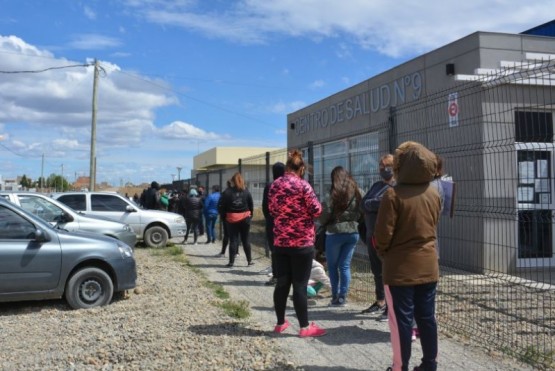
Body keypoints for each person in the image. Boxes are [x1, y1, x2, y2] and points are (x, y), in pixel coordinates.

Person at [374, 141, 441, 371]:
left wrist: (383, 253)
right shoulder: (434, 193)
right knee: (427, 318)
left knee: (401, 321)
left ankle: (399, 366)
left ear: (400, 166)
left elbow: (382, 235)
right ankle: (429, 364)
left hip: (399, 270)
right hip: (429, 267)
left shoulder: (392, 195)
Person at [268, 149, 326, 338]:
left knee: (282, 283)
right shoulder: (303, 186)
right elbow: (316, 210)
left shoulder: (275, 185)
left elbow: (271, 209)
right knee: (300, 285)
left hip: (281, 241)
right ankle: (304, 327)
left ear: (287, 166)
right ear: (301, 168)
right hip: (301, 242)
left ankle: (279, 323)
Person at [319, 166, 362, 307]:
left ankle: (335, 296)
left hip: (334, 233)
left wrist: (325, 223)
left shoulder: (331, 194)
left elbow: (323, 215)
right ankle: (343, 297)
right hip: (353, 233)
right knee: (345, 266)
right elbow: (363, 210)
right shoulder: (357, 192)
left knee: (332, 266)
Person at [360, 154, 396, 321]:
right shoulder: (377, 185)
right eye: (381, 167)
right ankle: (380, 300)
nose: (383, 170)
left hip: (386, 237)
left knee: (388, 272)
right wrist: (375, 203)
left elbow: (383, 204)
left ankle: (391, 307)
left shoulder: (396, 187)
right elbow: (363, 204)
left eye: (386, 167)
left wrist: (372, 203)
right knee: (377, 271)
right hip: (371, 235)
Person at [218, 172, 254, 267]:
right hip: (245, 218)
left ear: (233, 181)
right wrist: (250, 216)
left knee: (233, 240)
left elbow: (222, 206)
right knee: (246, 239)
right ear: (242, 180)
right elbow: (251, 204)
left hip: (231, 218)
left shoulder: (227, 192)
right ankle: (249, 261)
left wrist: (223, 217)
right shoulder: (246, 191)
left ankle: (231, 262)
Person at [262, 162, 285, 286]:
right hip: (287, 222)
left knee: (274, 250)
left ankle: (276, 276)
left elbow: (265, 206)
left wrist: (269, 219)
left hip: (272, 221)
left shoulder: (270, 186)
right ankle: (286, 276)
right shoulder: (288, 185)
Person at [217, 181, 232, 257]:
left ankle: (223, 252)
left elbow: (220, 205)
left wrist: (222, 214)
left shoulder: (224, 193)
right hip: (237, 216)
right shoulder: (239, 192)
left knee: (226, 235)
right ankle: (236, 252)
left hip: (226, 216)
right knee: (235, 236)